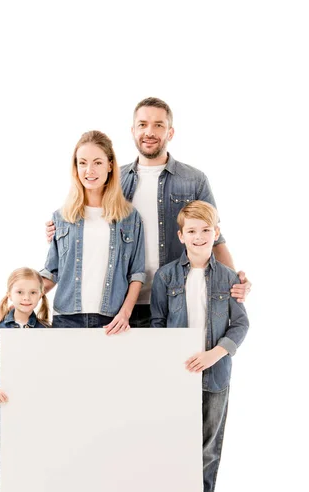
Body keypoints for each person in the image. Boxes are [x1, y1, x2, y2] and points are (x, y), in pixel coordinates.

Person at [45, 97, 251, 327]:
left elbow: (214, 237)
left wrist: (234, 281)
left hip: (175, 298)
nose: (149, 132)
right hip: (119, 303)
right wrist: (58, 230)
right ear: (133, 131)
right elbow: (86, 221)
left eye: (158, 125)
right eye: (142, 124)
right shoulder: (115, 180)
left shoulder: (193, 180)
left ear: (170, 132)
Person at [150, 201, 249, 492]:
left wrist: (215, 354)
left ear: (216, 233)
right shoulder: (166, 277)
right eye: (192, 231)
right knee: (174, 436)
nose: (199, 236)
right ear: (181, 235)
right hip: (177, 372)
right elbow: (158, 322)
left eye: (206, 230)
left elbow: (240, 325)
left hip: (215, 373)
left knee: (208, 442)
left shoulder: (228, 278)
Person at [40, 130, 145, 333]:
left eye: (97, 162)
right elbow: (51, 272)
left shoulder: (130, 217)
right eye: (82, 162)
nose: (89, 170)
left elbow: (137, 274)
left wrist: (125, 313)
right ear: (75, 167)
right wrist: (14, 303)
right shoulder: (61, 217)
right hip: (66, 319)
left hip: (112, 320)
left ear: (110, 165)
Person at [0, 267, 49, 489]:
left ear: (41, 294)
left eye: (33, 293)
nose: (26, 298)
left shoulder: (45, 330)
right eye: (20, 292)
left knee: (34, 454)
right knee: (4, 457)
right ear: (9, 294)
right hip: (2, 403)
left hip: (35, 402)